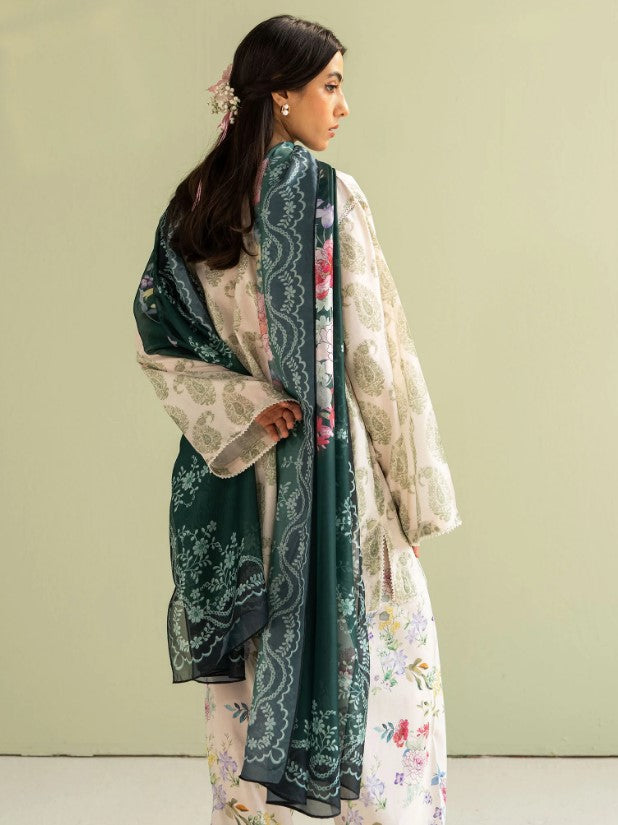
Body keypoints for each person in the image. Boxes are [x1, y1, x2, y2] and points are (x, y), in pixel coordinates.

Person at [132, 13, 462, 825]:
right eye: (331, 85)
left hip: (248, 494)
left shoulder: (194, 207)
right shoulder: (328, 198)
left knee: (254, 679)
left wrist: (249, 407)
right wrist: (413, 495)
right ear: (281, 94)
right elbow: (376, 361)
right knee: (377, 673)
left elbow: (160, 341)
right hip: (338, 488)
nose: (342, 106)